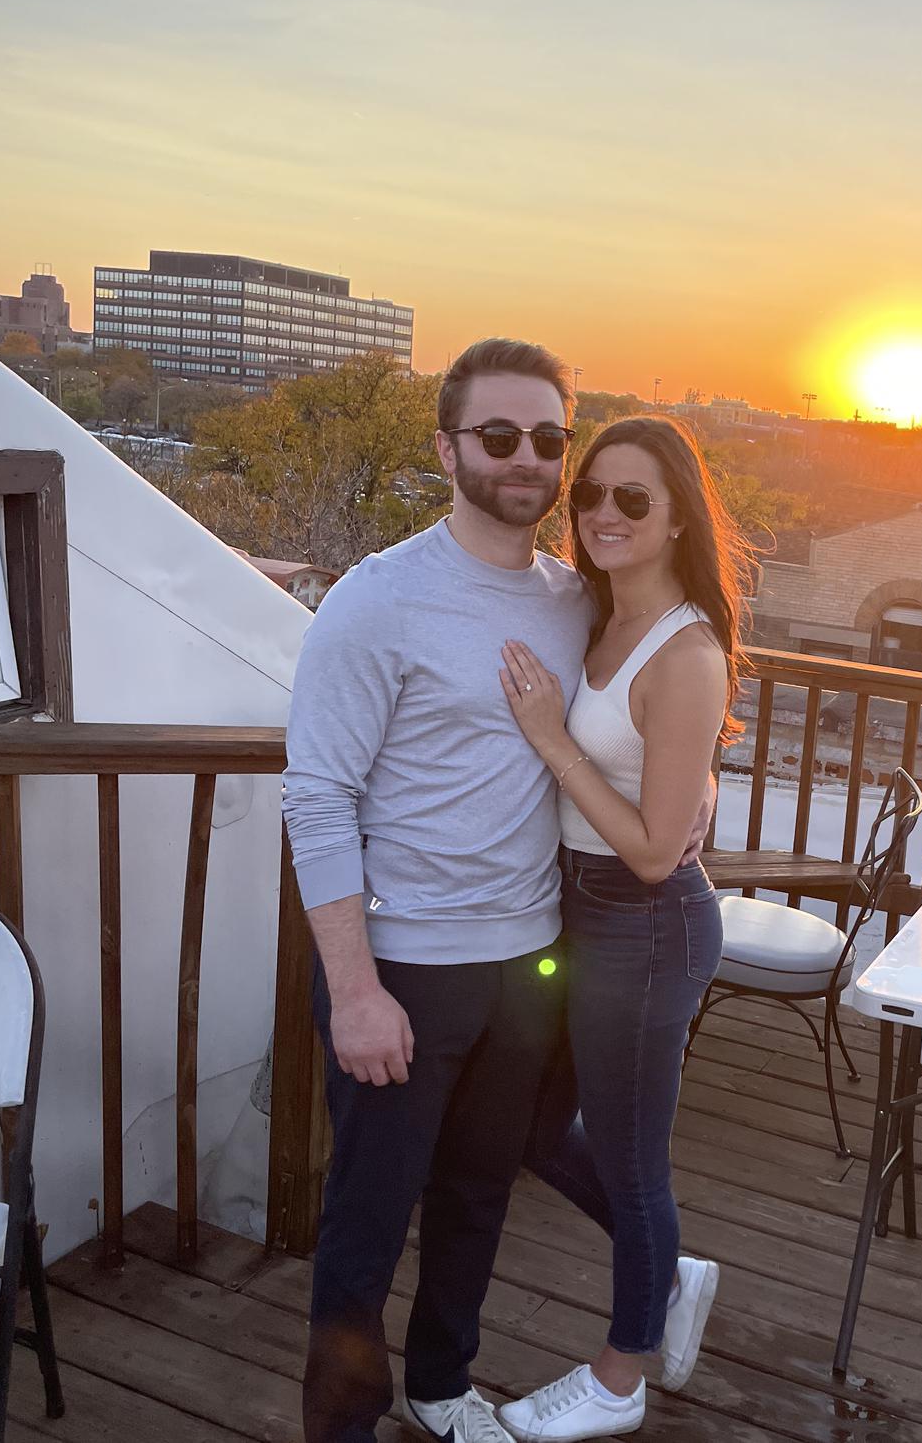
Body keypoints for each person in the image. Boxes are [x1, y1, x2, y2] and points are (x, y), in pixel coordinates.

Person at [284, 338, 593, 1443]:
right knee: (367, 1222)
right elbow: (317, 799)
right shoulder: (381, 601)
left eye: (548, 438)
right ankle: (343, 1427)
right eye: (498, 435)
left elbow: (626, 726)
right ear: (446, 448)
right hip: (403, 967)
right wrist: (355, 989)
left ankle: (443, 1387)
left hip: (527, 964)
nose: (525, 457)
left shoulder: (576, 601)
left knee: (476, 1198)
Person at [495, 415, 750, 1443]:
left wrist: (554, 742)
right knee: (530, 1125)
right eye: (589, 493)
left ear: (678, 514)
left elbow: (653, 851)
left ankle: (619, 1377)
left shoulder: (683, 652)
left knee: (636, 1164)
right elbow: (669, 784)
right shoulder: (593, 614)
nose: (603, 513)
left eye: (632, 498)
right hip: (575, 910)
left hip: (644, 925)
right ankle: (672, 1272)